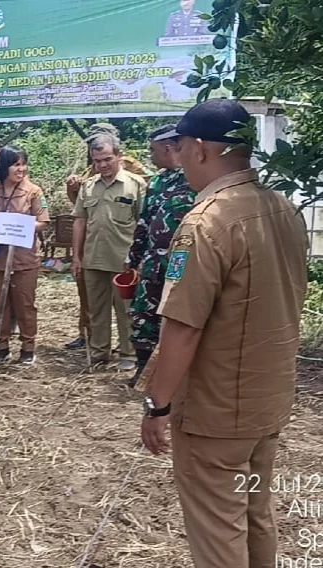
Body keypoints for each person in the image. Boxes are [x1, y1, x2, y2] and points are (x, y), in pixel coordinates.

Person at [140, 99, 308, 568]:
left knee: (219, 531)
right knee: (255, 513)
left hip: (216, 416)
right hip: (267, 404)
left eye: (178, 148)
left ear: (197, 149)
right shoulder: (283, 210)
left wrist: (158, 404)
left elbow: (183, 327)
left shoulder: (205, 223)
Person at [64, 123, 150, 351]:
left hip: (124, 259)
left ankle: (128, 353)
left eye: (107, 160)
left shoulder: (136, 184)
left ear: (119, 156)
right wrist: (76, 257)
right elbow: (79, 220)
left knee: (126, 310)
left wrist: (140, 260)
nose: (102, 165)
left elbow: (144, 224)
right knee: (95, 309)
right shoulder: (89, 185)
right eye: (97, 161)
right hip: (93, 257)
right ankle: (98, 352)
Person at [124, 125, 196, 388]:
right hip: (153, 262)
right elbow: (144, 222)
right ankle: (144, 372)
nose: (150, 155)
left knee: (177, 317)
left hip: (182, 263)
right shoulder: (156, 181)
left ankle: (174, 375)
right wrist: (133, 259)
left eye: (153, 150)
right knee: (143, 316)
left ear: (167, 149)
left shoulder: (195, 179)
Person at [0, 146, 49, 365]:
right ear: (4, 166)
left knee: (25, 304)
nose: (21, 169)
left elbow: (43, 221)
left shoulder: (34, 191)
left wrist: (19, 227)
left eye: (23, 164)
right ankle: (2, 345)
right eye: (16, 164)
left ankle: (28, 347)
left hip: (24, 259)